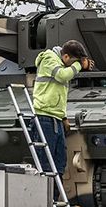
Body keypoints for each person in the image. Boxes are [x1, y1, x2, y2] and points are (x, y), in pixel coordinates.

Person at [32, 40, 93, 174]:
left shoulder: (60, 64)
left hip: (56, 118)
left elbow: (58, 94)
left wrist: (63, 117)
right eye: (72, 62)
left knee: (59, 163)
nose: (73, 66)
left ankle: (56, 188)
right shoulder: (49, 59)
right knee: (46, 164)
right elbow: (62, 76)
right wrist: (79, 65)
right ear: (65, 56)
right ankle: (46, 188)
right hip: (44, 117)